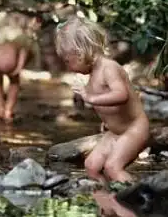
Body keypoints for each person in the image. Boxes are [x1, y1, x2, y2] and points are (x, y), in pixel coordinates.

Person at [55, 16, 149, 183]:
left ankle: (138, 200)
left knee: (113, 167)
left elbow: (121, 95)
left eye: (67, 61)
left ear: (81, 53)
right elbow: (109, 106)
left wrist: (89, 97)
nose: (67, 67)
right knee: (91, 165)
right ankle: (107, 203)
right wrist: (106, 120)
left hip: (134, 129)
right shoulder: (93, 74)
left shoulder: (109, 67)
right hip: (115, 131)